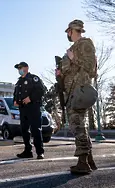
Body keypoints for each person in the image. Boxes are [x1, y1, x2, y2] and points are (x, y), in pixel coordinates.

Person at [56, 19, 97, 174]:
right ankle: (89, 159)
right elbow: (69, 71)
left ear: (73, 30)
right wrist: (60, 73)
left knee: (76, 125)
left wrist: (74, 58)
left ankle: (83, 163)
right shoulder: (72, 48)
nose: (67, 34)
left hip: (80, 90)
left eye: (68, 31)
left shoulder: (85, 44)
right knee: (80, 124)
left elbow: (90, 68)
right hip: (72, 92)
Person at [13, 62, 46, 159]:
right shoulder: (19, 82)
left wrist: (30, 98)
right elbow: (16, 94)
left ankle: (40, 152)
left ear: (26, 68)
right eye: (18, 68)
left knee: (36, 129)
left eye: (20, 68)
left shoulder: (33, 78)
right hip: (23, 109)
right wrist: (15, 100)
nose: (19, 70)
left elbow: (41, 90)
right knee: (24, 130)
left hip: (33, 107)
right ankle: (28, 150)